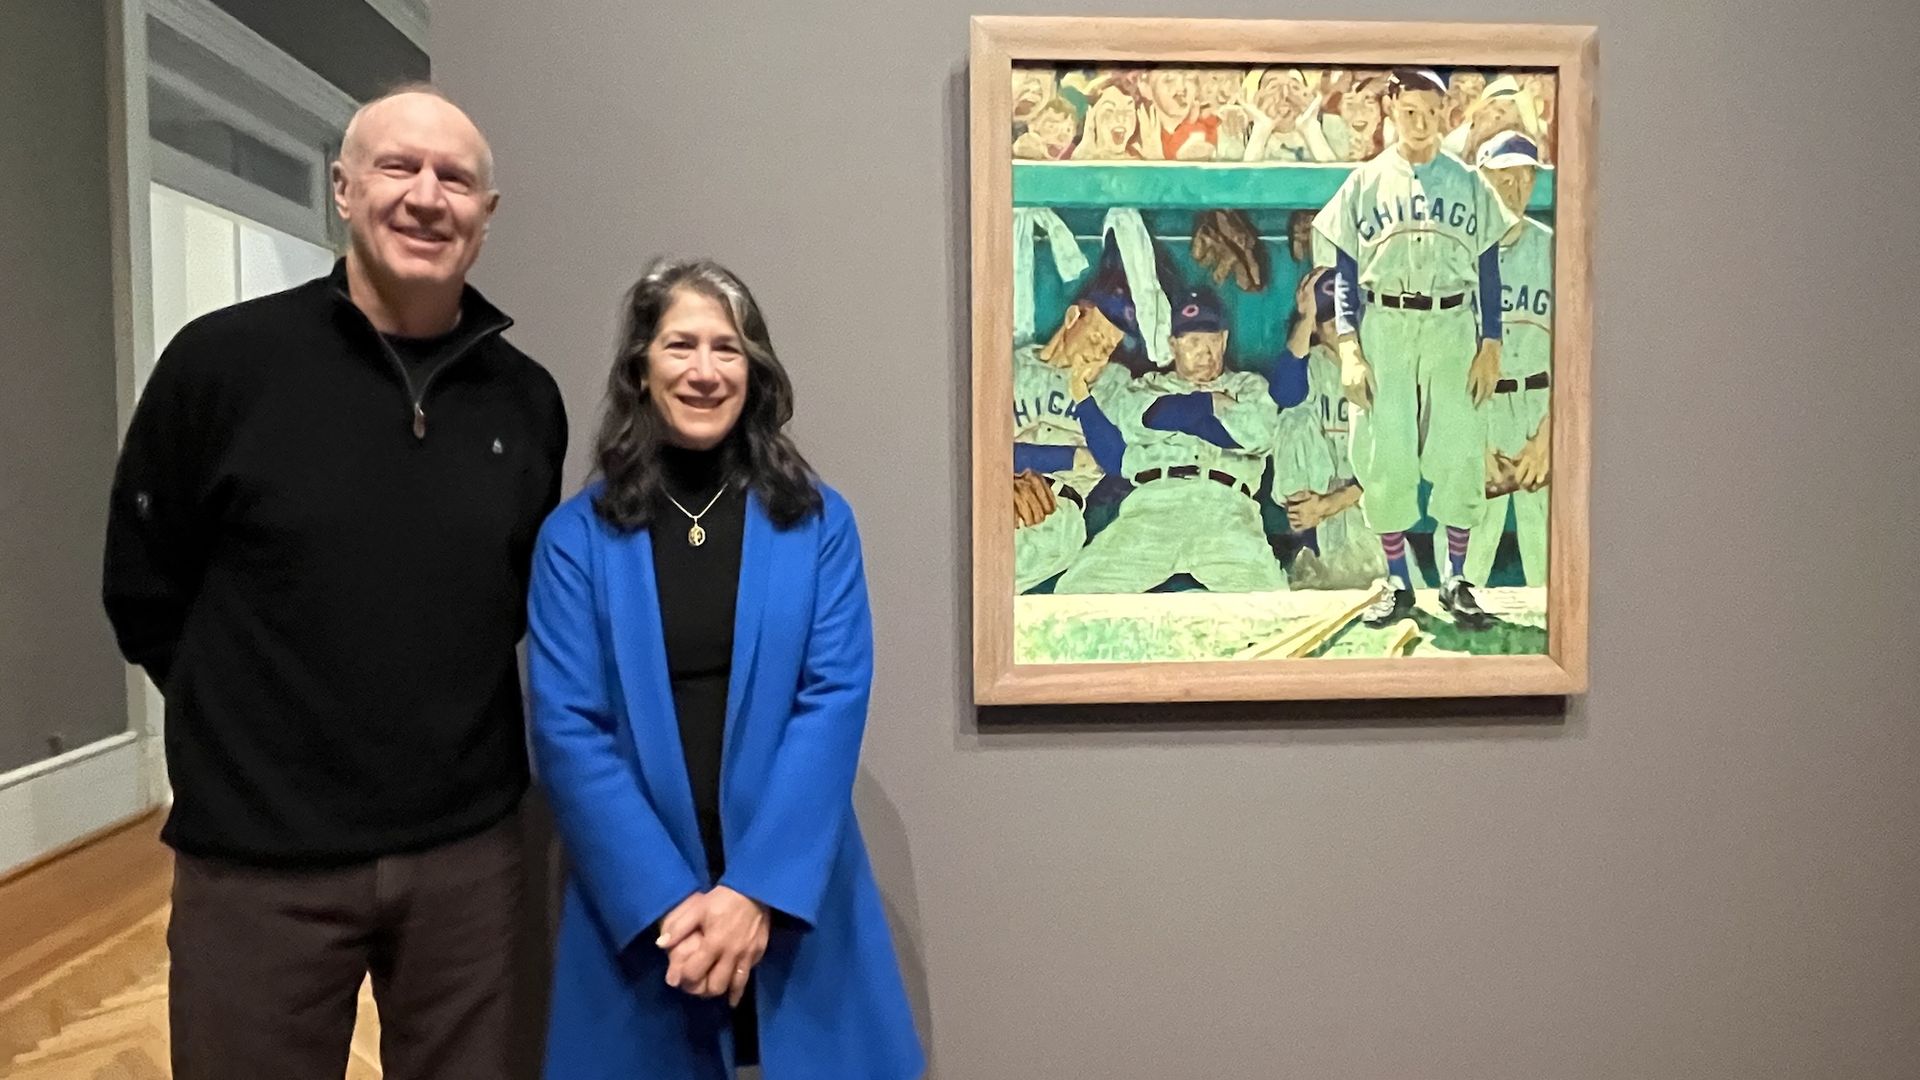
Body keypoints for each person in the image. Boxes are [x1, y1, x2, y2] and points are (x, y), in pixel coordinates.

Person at [101, 85, 567, 1079]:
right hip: (259, 864)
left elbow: (514, 595)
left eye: (456, 178)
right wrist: (247, 730)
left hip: (468, 857)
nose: (427, 196)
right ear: (343, 189)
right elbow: (143, 586)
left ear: (488, 216)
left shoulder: (526, 403)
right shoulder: (221, 366)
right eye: (399, 167)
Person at [527, 259, 924, 1080]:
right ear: (641, 366)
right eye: (680, 345)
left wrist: (754, 896)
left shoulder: (819, 523)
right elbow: (569, 729)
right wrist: (675, 908)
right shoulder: (575, 539)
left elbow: (833, 701)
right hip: (642, 920)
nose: (704, 370)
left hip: (795, 900)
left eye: (727, 349)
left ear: (757, 371)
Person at [1312, 67, 1518, 628]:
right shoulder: (1365, 180)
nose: (1420, 122)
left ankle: (1455, 579)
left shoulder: (1470, 182)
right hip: (1386, 325)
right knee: (1386, 453)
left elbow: (1489, 271)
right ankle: (1399, 583)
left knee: (1456, 451)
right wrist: (1350, 347)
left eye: (1431, 111)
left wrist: (1491, 344)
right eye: (1409, 110)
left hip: (1453, 325)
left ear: (1445, 111)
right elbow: (1346, 274)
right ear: (1390, 111)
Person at [1054, 287, 1287, 594]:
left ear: (1224, 340)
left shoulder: (1249, 386)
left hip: (1225, 509)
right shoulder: (1148, 385)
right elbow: (1145, 420)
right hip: (1154, 506)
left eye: (1211, 340)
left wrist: (1180, 414)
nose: (1205, 351)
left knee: (1273, 608)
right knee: (1075, 594)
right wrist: (1211, 404)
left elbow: (1256, 434)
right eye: (1192, 341)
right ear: (1173, 345)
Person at [1466, 130, 1556, 588]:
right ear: (1480, 179)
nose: (1515, 187)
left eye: (1526, 176)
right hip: (1478, 408)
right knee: (1464, 568)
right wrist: (1470, 443)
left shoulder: (1555, 249)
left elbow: (1580, 356)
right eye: (1503, 177)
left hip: (1541, 403)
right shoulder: (1456, 253)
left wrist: (1549, 436)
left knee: (1550, 566)